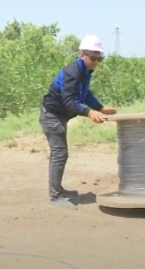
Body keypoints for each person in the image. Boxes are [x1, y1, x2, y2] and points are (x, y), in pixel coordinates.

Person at [39, 34, 117, 209]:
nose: (96, 62)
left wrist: (100, 108)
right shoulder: (72, 72)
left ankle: (58, 190)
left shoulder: (85, 72)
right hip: (51, 115)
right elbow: (69, 101)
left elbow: (85, 94)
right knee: (59, 154)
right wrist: (89, 112)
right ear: (82, 55)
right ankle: (55, 196)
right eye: (93, 58)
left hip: (59, 116)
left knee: (60, 154)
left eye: (99, 58)